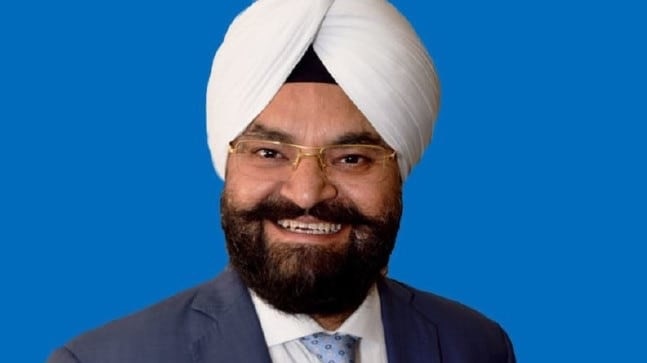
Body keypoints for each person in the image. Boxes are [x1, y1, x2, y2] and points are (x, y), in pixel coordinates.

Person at [48, 0, 516, 362]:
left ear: (399, 169)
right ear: (228, 163)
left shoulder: (473, 344)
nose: (307, 193)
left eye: (351, 158)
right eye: (270, 153)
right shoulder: (101, 358)